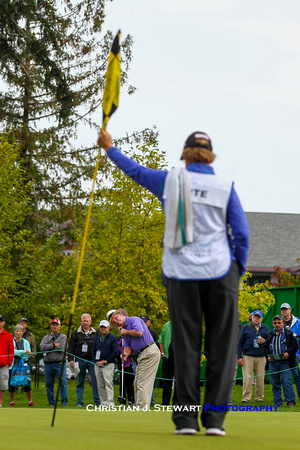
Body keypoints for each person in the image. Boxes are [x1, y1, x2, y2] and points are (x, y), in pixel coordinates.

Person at [98, 129, 249, 435]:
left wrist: (110, 149)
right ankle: (215, 421)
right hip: (221, 274)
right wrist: (237, 269)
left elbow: (136, 172)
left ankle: (185, 420)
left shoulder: (170, 181)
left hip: (181, 275)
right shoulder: (224, 185)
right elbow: (242, 233)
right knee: (221, 348)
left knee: (187, 346)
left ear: (185, 154)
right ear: (210, 155)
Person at [107, 309, 161, 411]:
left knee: (142, 383)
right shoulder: (125, 333)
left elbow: (139, 332)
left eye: (115, 318)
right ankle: (140, 407)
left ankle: (142, 409)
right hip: (141, 355)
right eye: (113, 322)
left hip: (150, 351)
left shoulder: (133, 320)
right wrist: (125, 355)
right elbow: (127, 348)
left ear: (121, 314)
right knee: (136, 383)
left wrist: (125, 331)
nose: (116, 321)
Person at [263, 315, 298, 407]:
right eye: (275, 323)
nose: (277, 324)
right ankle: (278, 402)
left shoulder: (289, 333)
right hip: (273, 362)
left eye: (279, 322)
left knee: (287, 381)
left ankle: (291, 401)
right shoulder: (270, 335)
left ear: (283, 323)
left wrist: (288, 353)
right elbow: (265, 348)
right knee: (275, 383)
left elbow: (295, 346)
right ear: (272, 324)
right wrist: (268, 356)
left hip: (285, 362)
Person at [68, 313, 100, 407]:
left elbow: (99, 346)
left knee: (95, 381)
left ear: (90, 322)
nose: (85, 323)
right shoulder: (75, 333)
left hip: (92, 360)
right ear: (81, 322)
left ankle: (97, 402)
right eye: (84, 321)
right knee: (80, 382)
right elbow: (71, 348)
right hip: (80, 359)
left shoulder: (96, 332)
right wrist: (71, 360)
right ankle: (79, 402)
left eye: (87, 321)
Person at [237, 310, 269, 402]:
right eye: (255, 316)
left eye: (259, 317)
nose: (257, 318)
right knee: (247, 378)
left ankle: (259, 398)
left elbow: (269, 342)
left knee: (260, 378)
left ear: (261, 318)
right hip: (247, 356)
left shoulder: (265, 328)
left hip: (261, 357)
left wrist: (265, 341)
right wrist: (239, 357)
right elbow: (240, 343)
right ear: (252, 317)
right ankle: (246, 398)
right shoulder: (246, 328)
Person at [40, 318, 68, 406]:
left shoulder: (63, 337)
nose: (55, 327)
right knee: (48, 384)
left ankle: (64, 402)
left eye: (57, 325)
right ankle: (51, 402)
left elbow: (62, 348)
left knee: (63, 383)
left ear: (59, 327)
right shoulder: (46, 337)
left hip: (60, 363)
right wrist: (53, 345)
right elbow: (42, 347)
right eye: (53, 325)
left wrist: (49, 348)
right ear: (51, 326)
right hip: (48, 363)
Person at [91, 319, 119, 407]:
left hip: (108, 364)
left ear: (109, 328)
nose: (103, 329)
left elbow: (115, 352)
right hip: (98, 364)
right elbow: (92, 352)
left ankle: (110, 402)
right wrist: (95, 361)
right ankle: (103, 402)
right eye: (101, 327)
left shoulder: (113, 338)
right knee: (100, 384)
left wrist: (105, 361)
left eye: (105, 327)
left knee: (108, 383)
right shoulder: (97, 339)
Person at [8, 325, 34, 406]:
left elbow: (28, 354)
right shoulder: (11, 341)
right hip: (13, 365)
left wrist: (18, 352)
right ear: (14, 332)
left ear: (22, 332)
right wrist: (23, 352)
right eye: (17, 331)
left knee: (27, 383)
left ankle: (30, 401)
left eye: (20, 331)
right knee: (12, 384)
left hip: (24, 365)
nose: (18, 333)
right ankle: (12, 401)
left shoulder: (26, 342)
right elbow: (12, 352)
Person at [280, 302, 300, 400]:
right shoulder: (279, 322)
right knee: (285, 377)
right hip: (284, 354)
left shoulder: (298, 322)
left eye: (286, 309)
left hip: (296, 354)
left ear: (290, 310)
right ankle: (288, 397)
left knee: (297, 375)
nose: (284, 311)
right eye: (282, 309)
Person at [141, 315, 159, 406]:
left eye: (145, 322)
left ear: (149, 322)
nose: (143, 324)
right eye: (142, 322)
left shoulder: (153, 333)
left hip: (150, 358)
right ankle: (139, 402)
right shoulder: (137, 331)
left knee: (148, 381)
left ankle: (150, 402)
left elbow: (157, 346)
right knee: (139, 382)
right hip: (138, 359)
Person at [158, 321, 177, 406]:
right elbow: (161, 340)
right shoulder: (166, 325)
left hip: (180, 360)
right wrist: (163, 354)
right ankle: (165, 403)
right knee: (166, 382)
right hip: (167, 358)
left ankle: (176, 403)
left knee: (179, 383)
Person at [0, 315, 14, 407]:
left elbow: (11, 350)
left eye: (1, 321)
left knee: (3, 385)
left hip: (4, 364)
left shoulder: (8, 335)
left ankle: (0, 404)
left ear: (3, 322)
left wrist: (9, 363)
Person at [118, 337, 134, 405]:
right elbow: (118, 348)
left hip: (130, 364)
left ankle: (130, 400)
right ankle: (123, 400)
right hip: (122, 365)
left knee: (130, 383)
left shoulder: (130, 338)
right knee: (122, 383)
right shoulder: (120, 340)